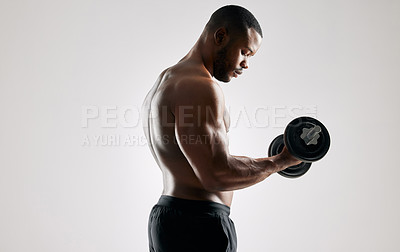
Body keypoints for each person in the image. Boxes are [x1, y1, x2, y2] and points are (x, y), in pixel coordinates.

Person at [142, 5, 301, 252]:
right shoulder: (200, 87)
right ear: (220, 36)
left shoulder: (168, 79)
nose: (245, 64)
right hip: (197, 227)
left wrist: (273, 159)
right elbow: (215, 174)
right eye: (245, 52)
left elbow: (203, 160)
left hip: (172, 220)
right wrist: (279, 162)